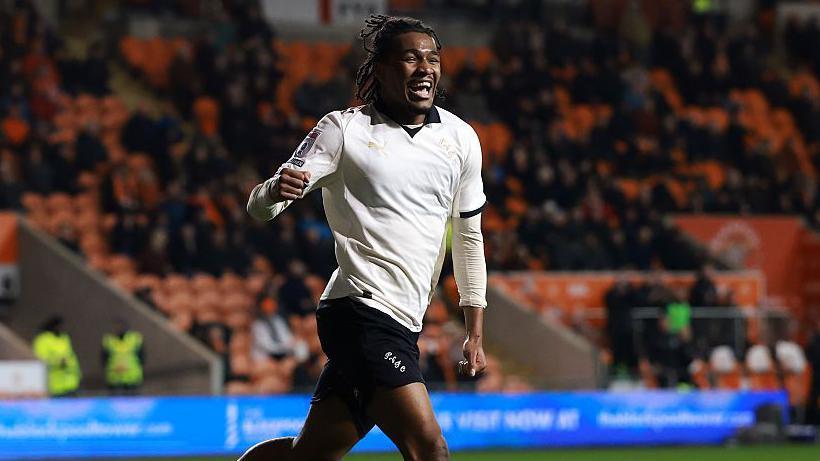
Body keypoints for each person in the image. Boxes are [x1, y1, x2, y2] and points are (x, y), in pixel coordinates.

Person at [243, 14, 488, 461]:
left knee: (309, 455)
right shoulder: (344, 129)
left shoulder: (461, 139)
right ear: (380, 70)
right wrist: (275, 191)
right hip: (359, 312)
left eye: (432, 58)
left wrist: (474, 328)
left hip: (404, 322)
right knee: (430, 450)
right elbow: (260, 207)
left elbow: (468, 236)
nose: (425, 68)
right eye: (411, 58)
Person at [32, 315, 81, 397]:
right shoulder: (43, 340)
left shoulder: (64, 338)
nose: (61, 328)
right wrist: (58, 362)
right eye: (59, 326)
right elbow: (40, 360)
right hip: (55, 385)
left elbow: (70, 356)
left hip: (71, 383)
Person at [101, 318, 144, 394]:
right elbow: (103, 359)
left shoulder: (135, 339)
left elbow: (142, 358)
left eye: (120, 326)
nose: (118, 329)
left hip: (132, 379)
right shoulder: (108, 341)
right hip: (114, 380)